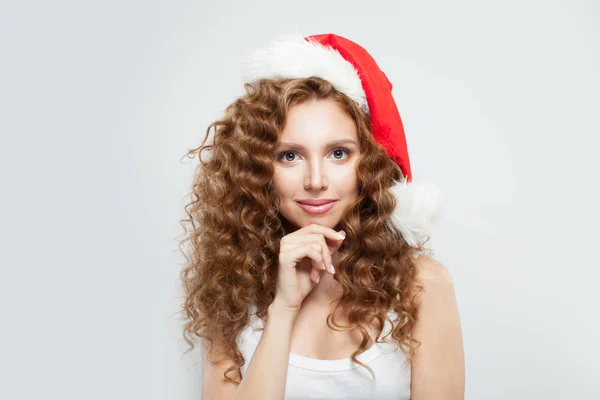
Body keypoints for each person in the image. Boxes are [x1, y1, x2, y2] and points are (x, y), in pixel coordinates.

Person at [179, 33, 465, 399]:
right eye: (290, 156)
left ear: (369, 163)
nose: (316, 181)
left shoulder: (421, 284)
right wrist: (283, 310)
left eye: (338, 154)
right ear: (256, 170)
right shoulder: (231, 288)